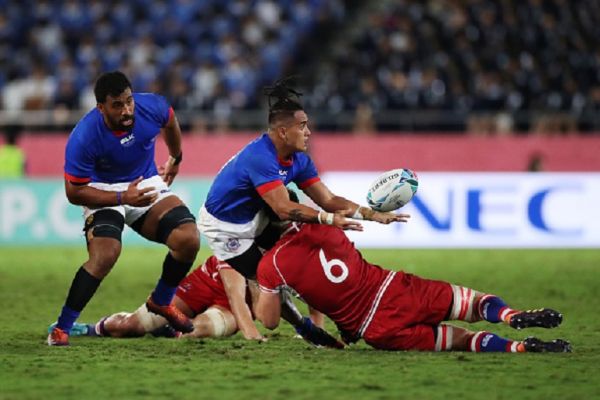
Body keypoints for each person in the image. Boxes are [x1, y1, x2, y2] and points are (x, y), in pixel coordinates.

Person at [197, 77, 410, 346]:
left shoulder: (300, 160)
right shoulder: (259, 157)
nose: (309, 131)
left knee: (309, 256)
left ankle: (341, 320)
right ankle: (304, 326)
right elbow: (283, 208)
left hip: (260, 214)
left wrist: (371, 214)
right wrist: (329, 220)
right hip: (225, 227)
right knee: (272, 309)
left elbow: (328, 199)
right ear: (283, 132)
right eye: (302, 126)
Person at [47, 71, 200, 346]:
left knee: (188, 238)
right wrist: (122, 197)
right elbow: (73, 192)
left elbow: (171, 119)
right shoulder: (84, 137)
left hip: (144, 182)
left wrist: (176, 157)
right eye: (117, 105)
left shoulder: (151, 106)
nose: (127, 110)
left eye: (128, 101)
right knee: (106, 254)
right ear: (101, 108)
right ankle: (62, 327)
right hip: (102, 190)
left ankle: (161, 302)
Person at [255, 222, 572, 353]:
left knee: (459, 342)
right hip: (393, 290)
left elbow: (268, 320)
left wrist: (268, 289)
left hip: (376, 330)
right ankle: (508, 314)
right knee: (471, 303)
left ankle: (516, 348)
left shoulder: (271, 266)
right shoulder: (324, 227)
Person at [48, 256, 249, 340]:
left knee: (199, 330)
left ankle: (169, 331)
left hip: (237, 301)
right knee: (128, 326)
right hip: (207, 280)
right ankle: (91, 329)